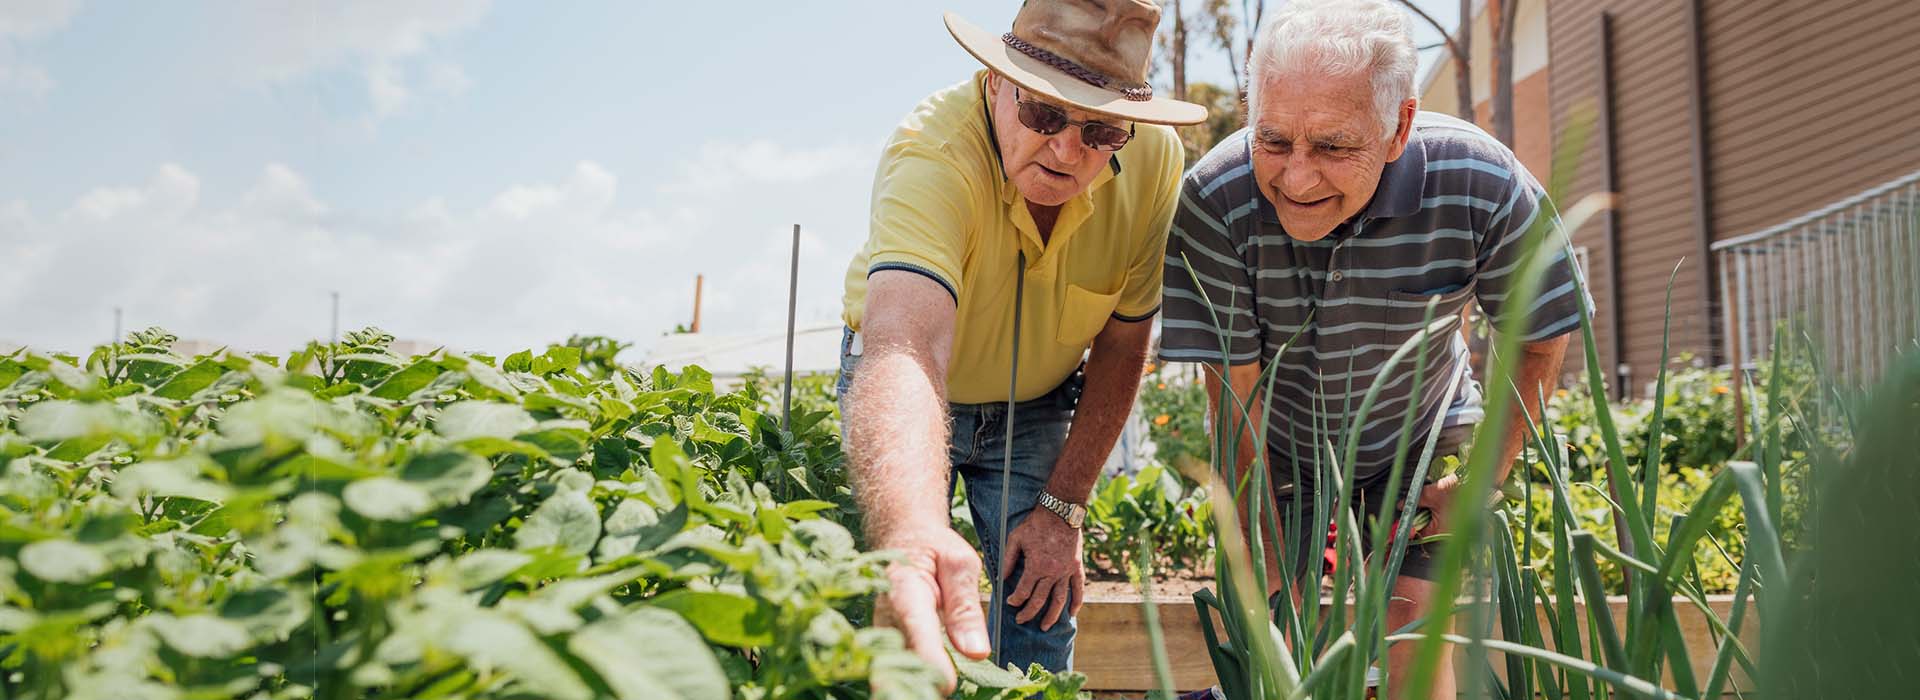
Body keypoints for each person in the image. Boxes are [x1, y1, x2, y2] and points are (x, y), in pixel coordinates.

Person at [1157, 1, 1587, 698]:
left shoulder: (1480, 181)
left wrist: (1483, 477)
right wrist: (1269, 566)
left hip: (1424, 433)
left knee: (1414, 634)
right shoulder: (1215, 198)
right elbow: (1236, 403)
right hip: (1280, 444)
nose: (1296, 178)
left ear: (1399, 127)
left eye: (1333, 147)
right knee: (1277, 645)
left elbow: (1539, 340)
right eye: (1273, 140)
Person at [834, 0, 1206, 690]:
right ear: (995, 81)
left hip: (1035, 403)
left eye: (1101, 131)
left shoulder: (1155, 162)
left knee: (1041, 602)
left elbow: (1123, 345)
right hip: (916, 393)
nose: (1067, 151)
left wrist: (1065, 508)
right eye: (1044, 114)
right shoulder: (933, 152)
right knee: (884, 596)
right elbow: (907, 346)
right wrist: (913, 527)